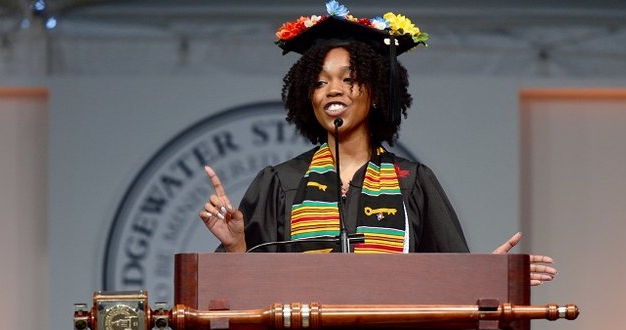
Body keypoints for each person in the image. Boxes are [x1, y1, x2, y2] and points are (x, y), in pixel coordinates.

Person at [199, 1, 556, 285]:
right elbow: (245, 294)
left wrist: (488, 278)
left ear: (375, 94)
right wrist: (236, 246)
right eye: (320, 82)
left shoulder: (411, 182)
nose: (333, 90)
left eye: (349, 78)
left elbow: (451, 280)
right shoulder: (280, 181)